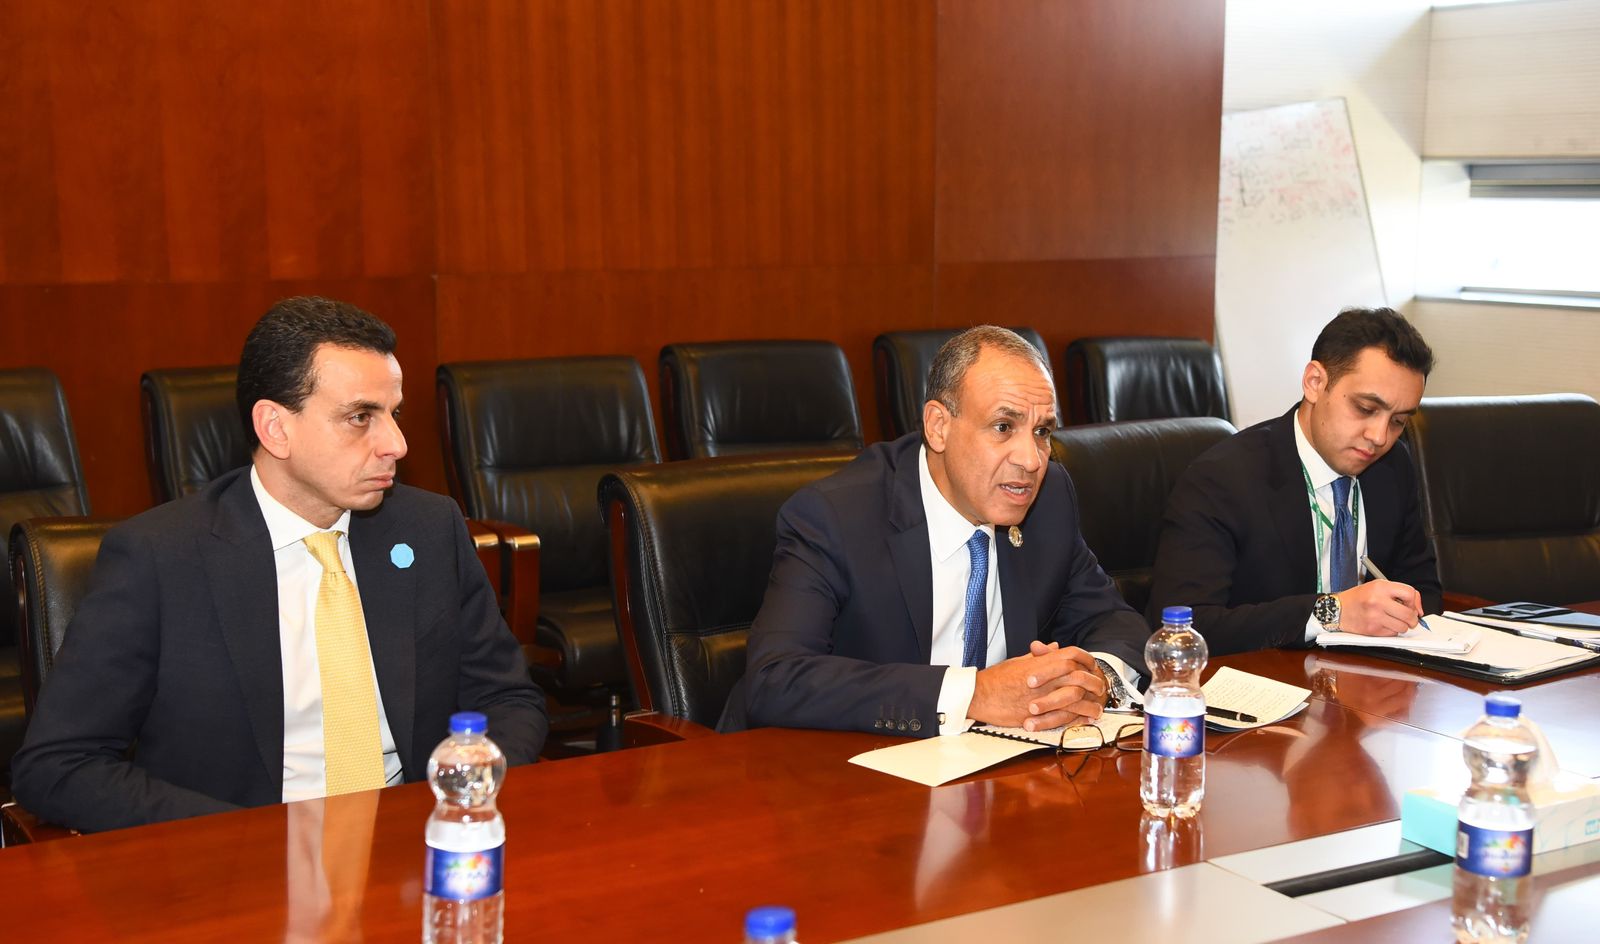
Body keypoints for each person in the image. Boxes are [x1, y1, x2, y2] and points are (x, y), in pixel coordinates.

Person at [12, 297, 547, 832]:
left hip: (415, 838)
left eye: (394, 414)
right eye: (360, 417)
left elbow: (507, 697)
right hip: (237, 853)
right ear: (275, 428)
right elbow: (58, 765)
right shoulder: (159, 557)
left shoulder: (428, 529)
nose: (397, 444)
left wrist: (457, 801)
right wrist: (249, 841)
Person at [730, 326, 1149, 738]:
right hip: (836, 764)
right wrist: (973, 694)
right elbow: (775, 678)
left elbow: (1113, 620)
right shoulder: (835, 516)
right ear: (938, 426)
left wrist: (1095, 678)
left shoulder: (1049, 499)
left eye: (1041, 432)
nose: (1032, 460)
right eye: (1003, 427)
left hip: (993, 763)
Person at [1145, 307, 1441, 654]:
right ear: (1315, 383)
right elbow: (1183, 628)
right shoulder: (1221, 480)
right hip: (1265, 676)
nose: (1379, 436)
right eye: (1365, 408)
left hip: (1370, 676)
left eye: (1398, 421)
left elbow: (1423, 590)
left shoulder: (1392, 468)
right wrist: (1332, 612)